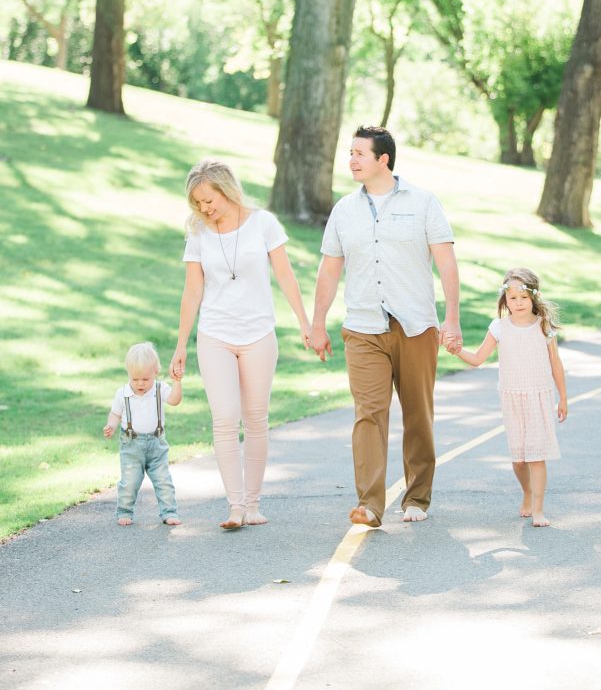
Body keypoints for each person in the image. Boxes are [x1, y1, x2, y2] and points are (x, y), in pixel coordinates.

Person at [310, 125, 461, 528]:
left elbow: (446, 263)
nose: (352, 160)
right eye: (351, 153)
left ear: (383, 160)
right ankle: (370, 504)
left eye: (360, 153)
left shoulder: (424, 202)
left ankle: (417, 496)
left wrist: (451, 319)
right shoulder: (344, 210)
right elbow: (329, 271)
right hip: (362, 327)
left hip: (415, 325)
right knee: (369, 413)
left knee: (418, 413)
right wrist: (317, 323)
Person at [170, 158, 311, 531]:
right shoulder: (199, 233)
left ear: (226, 189)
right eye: (198, 203)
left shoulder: (263, 224)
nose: (205, 208)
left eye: (208, 199)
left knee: (256, 420)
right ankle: (234, 506)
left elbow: (285, 276)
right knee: (224, 418)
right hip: (215, 335)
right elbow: (192, 291)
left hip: (258, 335)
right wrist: (181, 345)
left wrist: (304, 322)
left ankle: (252, 504)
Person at [452, 267, 568, 527]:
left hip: (539, 395)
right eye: (512, 298)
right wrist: (456, 350)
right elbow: (478, 359)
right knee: (519, 459)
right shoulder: (499, 327)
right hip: (512, 397)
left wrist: (563, 398)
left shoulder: (543, 325)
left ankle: (538, 509)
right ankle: (526, 492)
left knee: (537, 455)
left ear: (533, 298)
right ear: (505, 300)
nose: (518, 303)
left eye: (523, 298)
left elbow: (555, 363)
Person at [103, 342, 183, 526]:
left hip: (157, 444)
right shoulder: (123, 394)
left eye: (145, 379)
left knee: (163, 480)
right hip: (131, 445)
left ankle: (169, 512)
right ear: (128, 374)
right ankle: (124, 512)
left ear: (156, 371)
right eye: (135, 379)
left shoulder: (159, 389)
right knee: (129, 482)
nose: (140, 384)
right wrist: (111, 425)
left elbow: (174, 400)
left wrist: (177, 383)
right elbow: (115, 413)